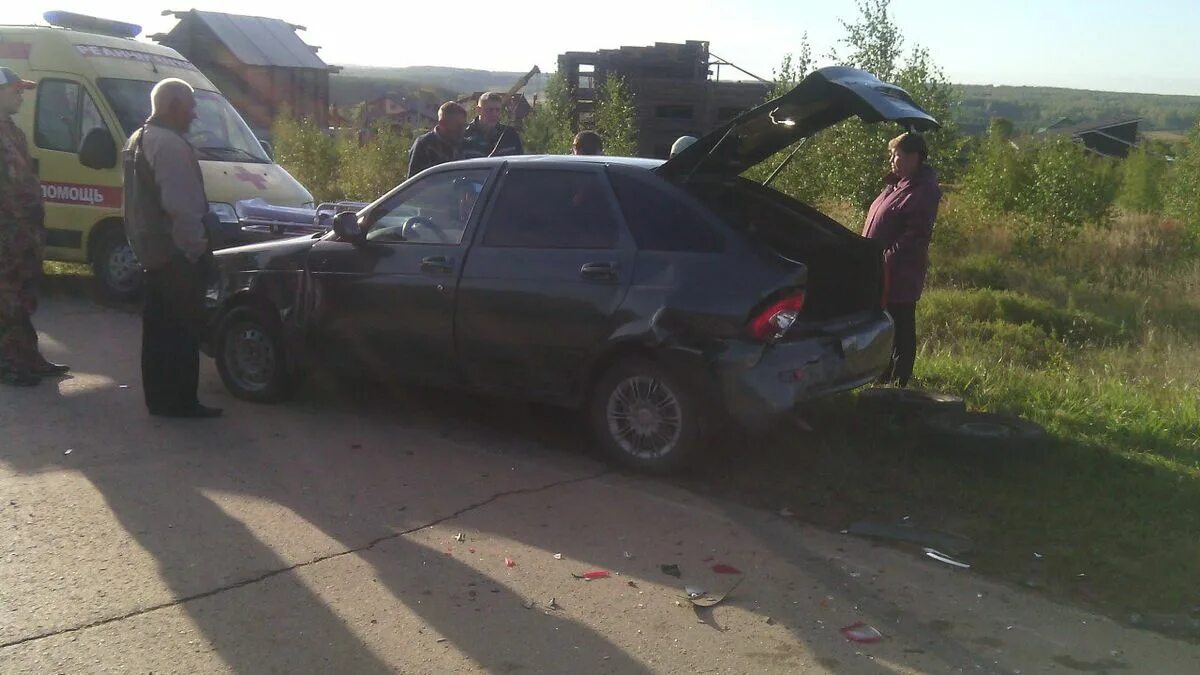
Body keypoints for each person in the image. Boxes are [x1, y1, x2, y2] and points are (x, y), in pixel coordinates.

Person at [124, 78, 221, 418]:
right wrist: (196, 252)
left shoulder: (138, 139)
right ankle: (181, 402)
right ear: (173, 106)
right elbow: (182, 208)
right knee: (181, 333)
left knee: (157, 333)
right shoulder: (169, 145)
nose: (194, 114)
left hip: (151, 252)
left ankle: (160, 400)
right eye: (190, 106)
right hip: (175, 255)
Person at [1, 67, 69, 387]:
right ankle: (8, 364)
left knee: (22, 299)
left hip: (22, 235)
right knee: (6, 301)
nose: (20, 94)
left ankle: (28, 357)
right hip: (5, 233)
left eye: (21, 89)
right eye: (14, 89)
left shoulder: (13, 132)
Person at [862, 131, 942, 388]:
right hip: (880, 269)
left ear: (916, 157)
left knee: (901, 326)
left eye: (899, 155)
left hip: (900, 272)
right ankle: (883, 376)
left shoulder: (923, 190)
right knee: (885, 325)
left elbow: (915, 236)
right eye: (892, 155)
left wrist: (885, 260)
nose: (893, 160)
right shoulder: (896, 185)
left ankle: (898, 383)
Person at [408, 101, 467, 178]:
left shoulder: (466, 144)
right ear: (442, 124)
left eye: (464, 125)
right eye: (458, 126)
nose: (462, 130)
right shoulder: (425, 145)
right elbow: (415, 181)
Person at [461, 92, 523, 160]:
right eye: (490, 110)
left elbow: (519, 162)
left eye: (497, 110)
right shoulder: (464, 136)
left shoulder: (510, 135)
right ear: (478, 110)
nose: (494, 114)